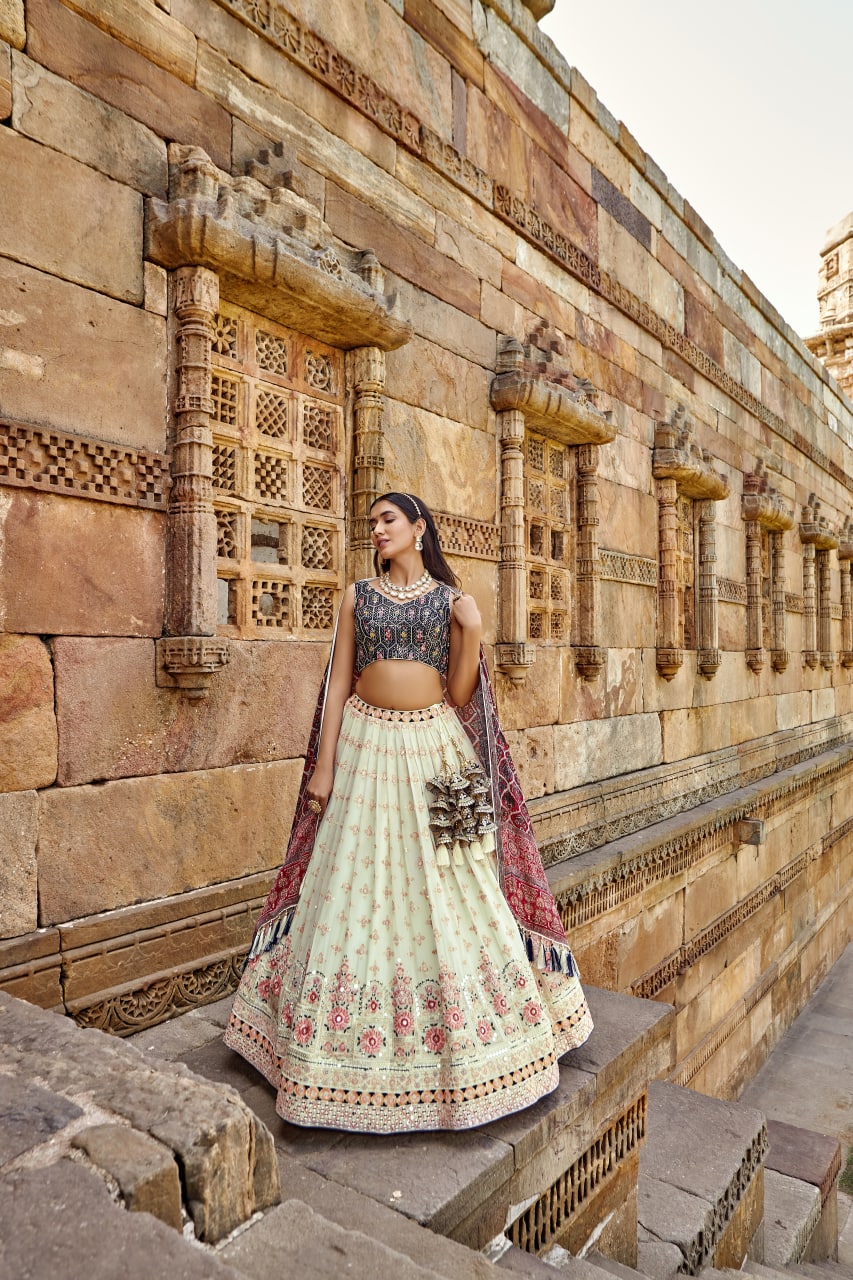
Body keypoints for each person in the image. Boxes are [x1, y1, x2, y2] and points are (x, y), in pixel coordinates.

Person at [225, 492, 592, 1132]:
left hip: (433, 750)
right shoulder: (358, 597)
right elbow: (337, 685)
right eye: (372, 522)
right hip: (364, 746)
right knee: (352, 886)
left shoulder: (450, 602)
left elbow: (460, 694)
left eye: (388, 520)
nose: (377, 530)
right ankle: (332, 1060)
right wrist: (324, 765)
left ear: (419, 528)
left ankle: (481, 1048)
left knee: (455, 881)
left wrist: (473, 630)